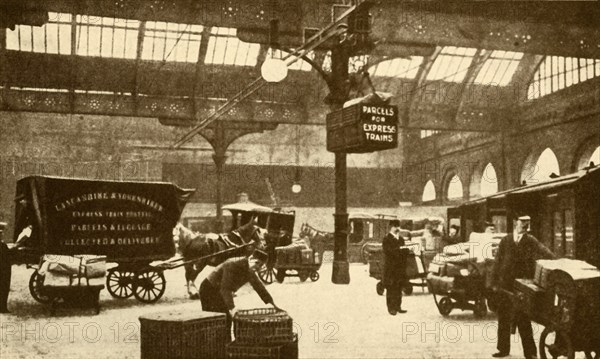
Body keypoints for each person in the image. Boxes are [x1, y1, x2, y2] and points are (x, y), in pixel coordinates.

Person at [491, 215, 556, 359]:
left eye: (528, 223)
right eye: (523, 222)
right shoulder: (506, 240)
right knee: (503, 317)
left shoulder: (530, 240)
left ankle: (530, 353)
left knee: (523, 318)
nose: (526, 225)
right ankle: (503, 349)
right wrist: (494, 283)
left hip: (521, 286)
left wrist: (556, 261)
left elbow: (544, 251)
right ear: (516, 223)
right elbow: (497, 261)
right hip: (504, 284)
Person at [199, 249, 280, 341]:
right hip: (209, 289)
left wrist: (272, 304)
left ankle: (225, 345)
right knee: (217, 319)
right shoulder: (232, 264)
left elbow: (259, 288)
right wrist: (232, 308)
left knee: (226, 320)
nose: (258, 267)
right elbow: (225, 289)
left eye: (261, 265)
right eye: (257, 263)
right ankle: (216, 346)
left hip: (219, 291)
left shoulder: (250, 271)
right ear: (250, 258)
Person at [382, 219, 410, 315]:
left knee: (399, 287)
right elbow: (388, 252)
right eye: (395, 226)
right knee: (391, 288)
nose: (397, 228)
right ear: (391, 227)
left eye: (398, 226)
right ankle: (391, 308)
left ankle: (398, 306)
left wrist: (404, 251)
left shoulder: (401, 239)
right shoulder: (386, 239)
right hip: (391, 268)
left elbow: (404, 253)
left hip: (400, 268)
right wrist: (400, 251)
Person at [0, 222, 12, 314]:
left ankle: (3, 307)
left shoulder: (3, 245)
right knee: (3, 287)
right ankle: (2, 307)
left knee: (4, 287)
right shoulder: (3, 246)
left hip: (4, 269)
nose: (1, 235)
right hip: (3, 270)